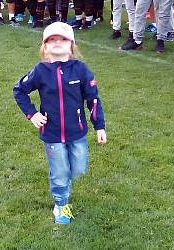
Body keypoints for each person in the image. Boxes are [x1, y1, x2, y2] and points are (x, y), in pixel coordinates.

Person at [13, 22, 107, 225]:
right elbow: (19, 90)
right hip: (52, 134)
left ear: (71, 45)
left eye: (62, 39)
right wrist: (32, 114)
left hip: (77, 132)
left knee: (79, 169)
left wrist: (99, 126)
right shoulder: (40, 71)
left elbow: (93, 99)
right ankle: (61, 203)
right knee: (60, 171)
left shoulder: (81, 70)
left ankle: (63, 181)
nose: (57, 42)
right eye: (51, 40)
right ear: (45, 47)